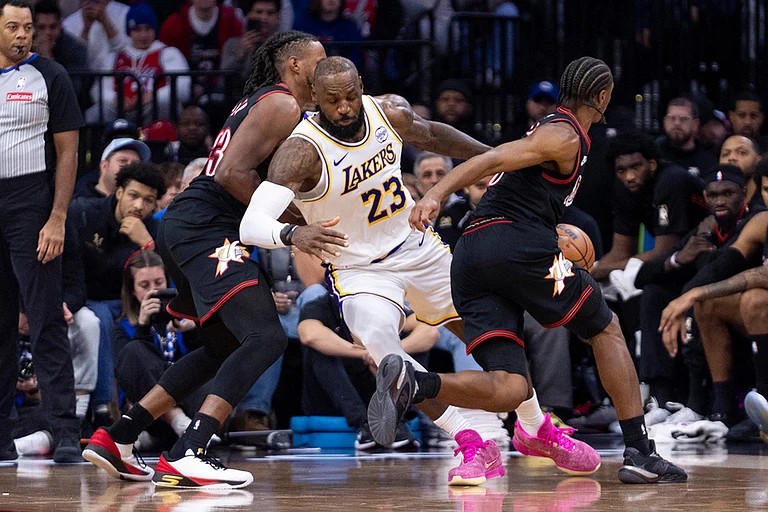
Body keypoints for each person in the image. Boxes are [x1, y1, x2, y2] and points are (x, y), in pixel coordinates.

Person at [244, 56, 576, 486]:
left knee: (489, 334)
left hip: (418, 247)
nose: (344, 107)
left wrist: (500, 159)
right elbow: (251, 225)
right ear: (316, 99)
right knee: (383, 345)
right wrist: (292, 234)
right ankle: (471, 440)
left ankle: (536, 427)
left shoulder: (390, 111)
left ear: (361, 85)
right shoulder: (301, 152)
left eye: (350, 96)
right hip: (359, 269)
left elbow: (434, 134)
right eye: (333, 101)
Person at [405, 56, 687, 484]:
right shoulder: (563, 134)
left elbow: (500, 166)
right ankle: (640, 450)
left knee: (512, 386)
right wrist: (437, 194)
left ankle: (415, 384)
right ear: (603, 97)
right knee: (605, 328)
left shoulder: (552, 130)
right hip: (515, 245)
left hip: (472, 255)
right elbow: (494, 157)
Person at [83, 30, 331, 489]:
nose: (328, 67)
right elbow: (235, 174)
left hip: (190, 227)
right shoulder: (283, 104)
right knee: (266, 338)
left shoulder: (267, 102)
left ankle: (117, 437)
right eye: (321, 59)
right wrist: (297, 225)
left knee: (223, 347)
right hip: (207, 230)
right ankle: (190, 451)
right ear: (294, 65)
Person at [0, 0, 83, 463]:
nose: (22, 36)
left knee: (46, 318)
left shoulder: (51, 75)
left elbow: (68, 154)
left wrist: (57, 216)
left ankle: (65, 431)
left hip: (32, 201)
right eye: (12, 27)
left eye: (27, 28)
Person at [635, 165, 762, 412]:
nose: (720, 200)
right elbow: (641, 276)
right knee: (653, 293)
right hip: (711, 314)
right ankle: (660, 401)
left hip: (744, 317)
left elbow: (722, 268)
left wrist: (684, 298)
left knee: (700, 302)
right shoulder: (703, 231)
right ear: (705, 198)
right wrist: (679, 257)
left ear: (744, 194)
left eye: (728, 193)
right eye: (713, 195)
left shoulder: (755, 220)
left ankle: (700, 404)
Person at [69, 162, 165, 426]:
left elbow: (163, 279)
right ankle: (103, 407)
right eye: (133, 196)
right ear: (119, 192)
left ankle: (142, 410)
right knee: (100, 318)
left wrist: (147, 244)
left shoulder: (153, 230)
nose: (139, 206)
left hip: (127, 304)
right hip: (84, 299)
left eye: (148, 200)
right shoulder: (84, 213)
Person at [112, 250, 205, 448]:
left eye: (159, 283)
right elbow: (129, 373)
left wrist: (192, 330)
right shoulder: (123, 327)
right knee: (133, 350)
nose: (153, 291)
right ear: (132, 291)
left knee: (210, 358)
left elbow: (203, 366)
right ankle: (175, 423)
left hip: (193, 407)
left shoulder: (186, 317)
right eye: (144, 286)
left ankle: (174, 433)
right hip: (149, 415)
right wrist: (143, 327)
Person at [591, 130, 708, 281]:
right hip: (676, 259)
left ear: (652, 164)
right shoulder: (625, 189)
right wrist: (588, 273)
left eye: (636, 166)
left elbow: (664, 252)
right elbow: (620, 252)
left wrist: (605, 269)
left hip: (707, 253)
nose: (629, 176)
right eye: (622, 170)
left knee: (645, 286)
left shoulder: (670, 181)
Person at [88, 3, 191, 125]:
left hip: (153, 107)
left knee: (166, 105)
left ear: (155, 29)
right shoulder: (114, 57)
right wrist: (115, 99)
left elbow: (183, 88)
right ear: (129, 31)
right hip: (120, 109)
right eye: (137, 29)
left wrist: (153, 96)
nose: (143, 35)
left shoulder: (168, 53)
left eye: (148, 28)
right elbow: (97, 90)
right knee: (93, 113)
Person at [413, 151, 470, 250]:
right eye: (427, 175)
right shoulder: (411, 217)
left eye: (440, 174)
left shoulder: (467, 210)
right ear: (418, 185)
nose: (434, 180)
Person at [75, 137, 151, 199]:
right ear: (104, 166)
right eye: (122, 161)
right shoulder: (78, 205)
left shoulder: (143, 210)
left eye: (135, 164)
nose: (129, 168)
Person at [658, 97, 717, 176]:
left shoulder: (708, 162)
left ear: (695, 124)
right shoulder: (655, 155)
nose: (677, 123)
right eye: (672, 118)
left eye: (684, 119)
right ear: (665, 122)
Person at [62, 0, 128, 71]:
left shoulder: (125, 13)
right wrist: (86, 29)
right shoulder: (69, 23)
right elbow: (74, 60)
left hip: (118, 75)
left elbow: (126, 53)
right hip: (85, 77)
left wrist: (105, 21)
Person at [32, 0, 88, 73]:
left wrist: (47, 58)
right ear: (34, 27)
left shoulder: (75, 49)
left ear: (60, 25)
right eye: (41, 27)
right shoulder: (25, 47)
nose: (47, 32)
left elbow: (72, 83)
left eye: (53, 27)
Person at [719, 135, 762, 205]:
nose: (731, 158)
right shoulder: (715, 202)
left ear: (758, 161)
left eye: (742, 152)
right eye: (725, 154)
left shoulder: (765, 200)